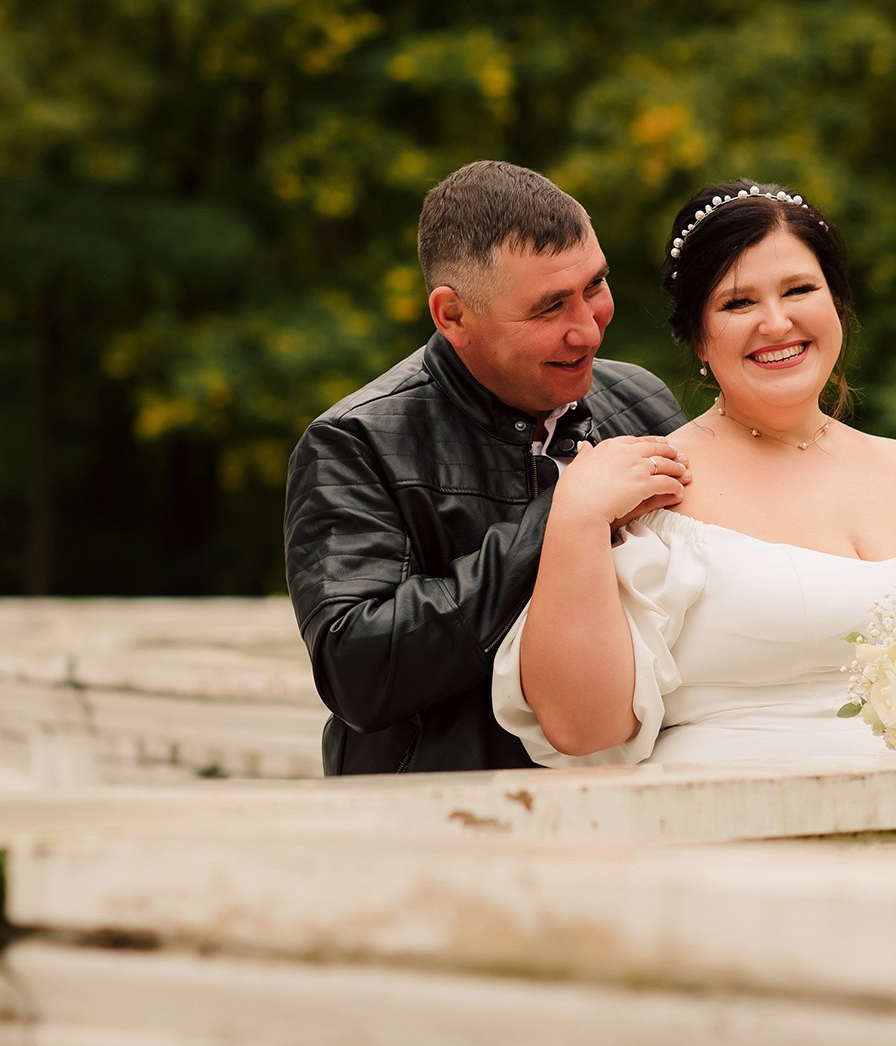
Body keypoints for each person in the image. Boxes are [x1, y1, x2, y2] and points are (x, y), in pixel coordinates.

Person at [493, 180, 896, 765]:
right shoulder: (653, 491)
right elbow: (583, 728)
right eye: (738, 303)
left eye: (799, 290)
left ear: (837, 301)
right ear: (697, 337)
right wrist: (578, 518)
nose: (775, 322)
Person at [286, 160, 688, 775]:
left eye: (595, 286)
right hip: (441, 819)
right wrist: (565, 515)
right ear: (452, 315)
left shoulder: (642, 400)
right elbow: (358, 673)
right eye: (550, 308)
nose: (588, 330)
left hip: (637, 804)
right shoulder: (354, 442)